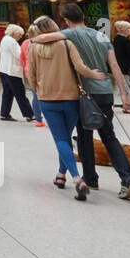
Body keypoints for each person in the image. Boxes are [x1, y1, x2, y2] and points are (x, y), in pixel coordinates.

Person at [32, 4, 130, 200]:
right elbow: (114, 64)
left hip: (84, 94)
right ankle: (127, 179)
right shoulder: (102, 36)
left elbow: (42, 38)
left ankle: (90, 178)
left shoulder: (69, 34)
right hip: (105, 91)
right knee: (109, 135)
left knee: (84, 135)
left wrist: (34, 37)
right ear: (83, 16)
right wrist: (123, 94)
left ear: (65, 20)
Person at [26, 15, 107, 201]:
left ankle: (76, 179)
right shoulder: (66, 44)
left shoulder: (34, 47)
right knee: (66, 138)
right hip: (70, 98)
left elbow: (31, 75)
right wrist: (94, 75)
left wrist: (39, 92)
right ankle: (61, 175)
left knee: (61, 139)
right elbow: (80, 67)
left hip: (47, 99)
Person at [0, 24, 35, 121]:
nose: (20, 37)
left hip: (3, 69)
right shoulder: (12, 42)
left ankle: (4, 113)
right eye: (19, 34)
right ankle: (29, 114)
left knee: (8, 92)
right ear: (14, 33)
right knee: (20, 93)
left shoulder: (5, 39)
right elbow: (19, 55)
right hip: (12, 71)